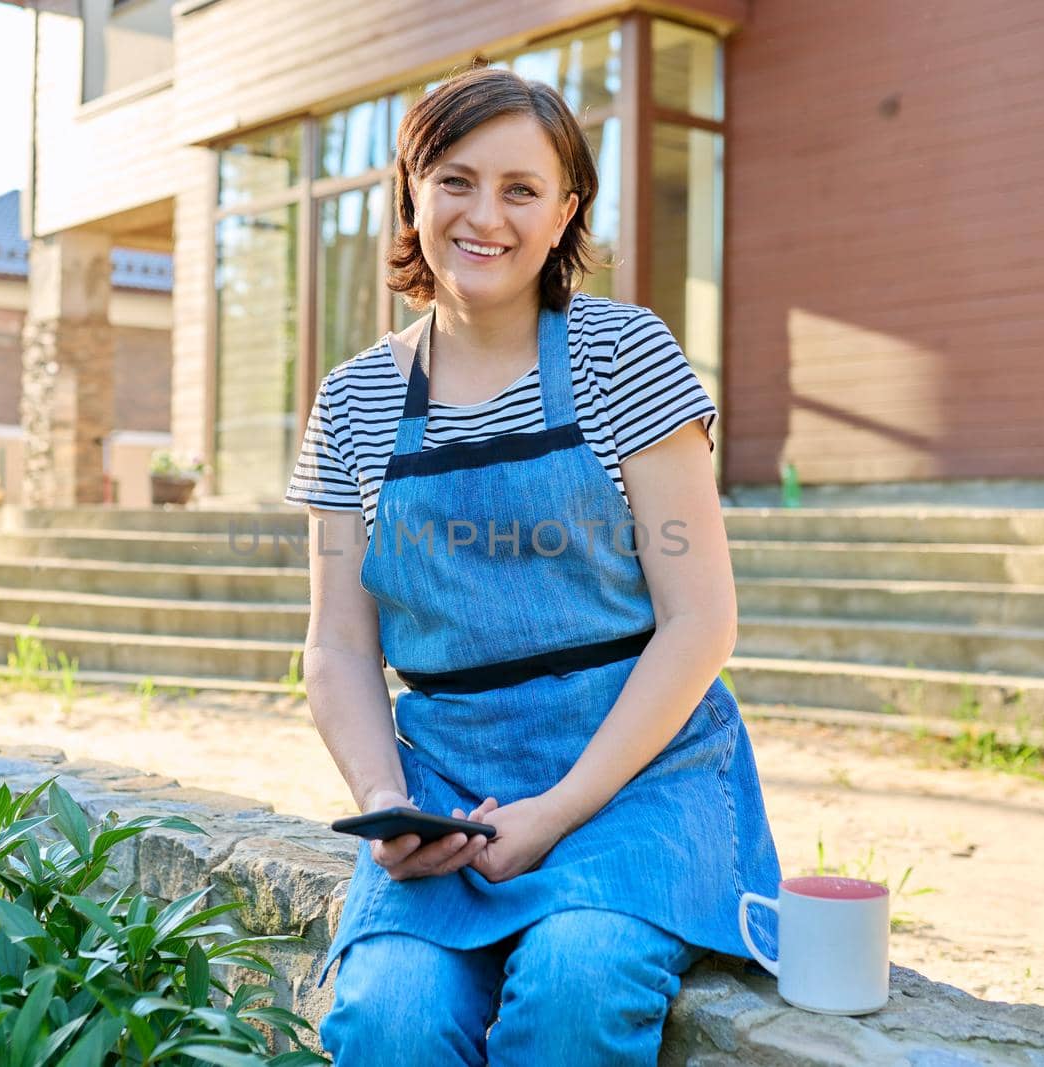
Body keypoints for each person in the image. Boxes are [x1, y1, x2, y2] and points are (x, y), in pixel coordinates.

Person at [284, 63, 781, 1067]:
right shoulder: (351, 400)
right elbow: (337, 644)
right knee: (388, 1015)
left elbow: (701, 620)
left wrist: (558, 810)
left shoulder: (623, 354)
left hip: (637, 774)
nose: (485, 215)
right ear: (411, 193)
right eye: (456, 180)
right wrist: (390, 802)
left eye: (521, 189)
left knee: (575, 982)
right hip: (449, 786)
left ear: (565, 212)